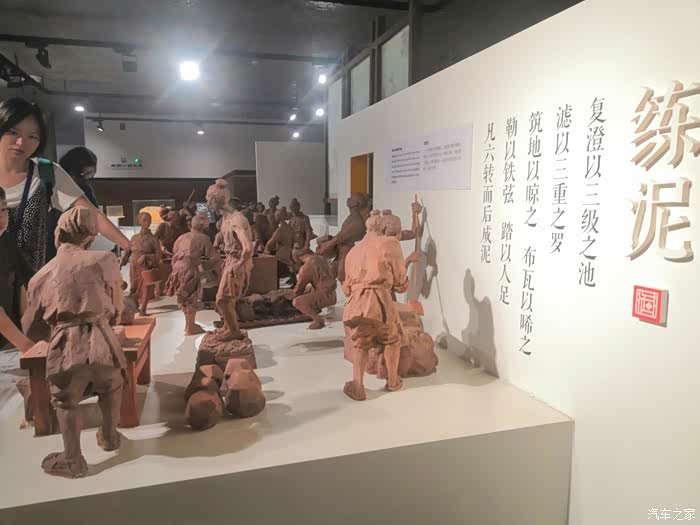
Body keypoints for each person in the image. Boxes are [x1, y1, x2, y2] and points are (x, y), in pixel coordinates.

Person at [23, 207, 126, 478]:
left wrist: (52, 331)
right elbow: (117, 309)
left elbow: (30, 326)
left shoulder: (41, 275)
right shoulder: (105, 259)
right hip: (103, 338)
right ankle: (110, 436)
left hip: (64, 345)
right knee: (111, 386)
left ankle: (73, 459)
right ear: (91, 236)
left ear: (58, 233)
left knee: (66, 401)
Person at [0, 97, 129, 276]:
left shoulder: (47, 172)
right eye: (13, 132)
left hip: (36, 281)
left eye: (32, 136)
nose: (21, 142)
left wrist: (128, 245)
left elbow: (92, 214)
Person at [342, 210, 408, 401]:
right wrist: (402, 283)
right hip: (380, 299)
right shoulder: (390, 243)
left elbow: (346, 288)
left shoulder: (353, 251)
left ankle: (358, 385)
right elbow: (400, 281)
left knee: (361, 343)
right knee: (391, 339)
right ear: (383, 228)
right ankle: (393, 381)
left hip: (357, 302)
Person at [165, 213, 220, 335]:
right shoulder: (203, 238)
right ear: (204, 226)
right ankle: (191, 327)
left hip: (177, 268)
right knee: (191, 297)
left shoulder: (181, 237)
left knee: (184, 297)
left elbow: (175, 252)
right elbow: (213, 257)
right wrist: (218, 270)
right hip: (189, 268)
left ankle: (188, 325)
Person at [0, 186, 34, 351]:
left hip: (7, 344)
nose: (1, 217)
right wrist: (28, 347)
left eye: (3, 209)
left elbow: (31, 281)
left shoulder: (6, 241)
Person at [292, 253, 337, 330]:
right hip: (333, 295)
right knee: (309, 289)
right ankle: (315, 308)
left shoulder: (305, 268)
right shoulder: (322, 258)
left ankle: (318, 320)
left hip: (324, 297)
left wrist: (284, 293)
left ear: (297, 259)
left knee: (297, 302)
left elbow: (298, 290)